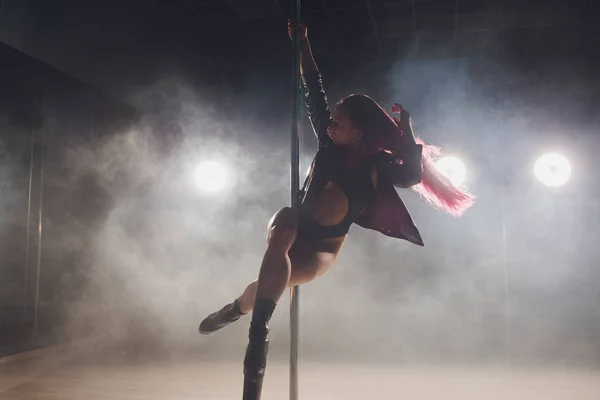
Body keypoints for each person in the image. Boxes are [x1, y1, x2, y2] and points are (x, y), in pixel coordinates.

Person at [198, 22, 475, 400]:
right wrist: (303, 42)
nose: (330, 124)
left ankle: (235, 309)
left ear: (359, 132)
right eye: (331, 119)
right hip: (294, 227)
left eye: (339, 121)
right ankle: (253, 371)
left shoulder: (377, 166)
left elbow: (411, 174)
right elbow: (314, 86)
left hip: (322, 249)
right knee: (282, 230)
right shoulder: (327, 143)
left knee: (262, 289)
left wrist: (406, 130)